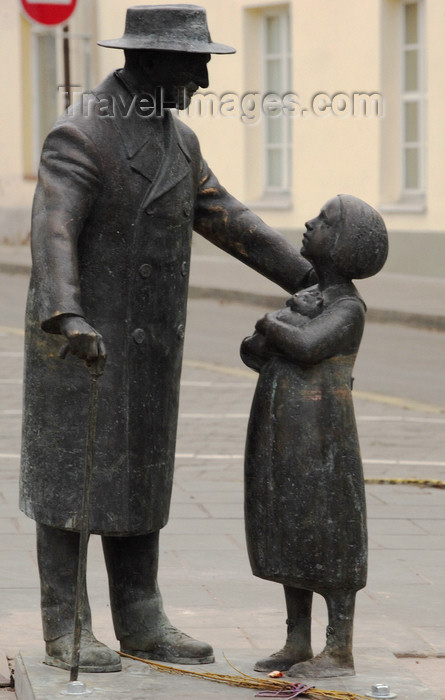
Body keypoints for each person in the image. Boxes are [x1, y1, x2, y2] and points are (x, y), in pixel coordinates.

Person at [19, 4, 315, 673]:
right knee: (73, 480)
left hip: (149, 343)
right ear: (150, 62)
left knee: (138, 475)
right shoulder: (83, 132)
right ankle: (65, 623)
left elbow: (225, 216)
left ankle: (141, 615)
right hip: (82, 340)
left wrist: (309, 276)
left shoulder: (178, 141)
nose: (204, 81)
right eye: (195, 65)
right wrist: (66, 313)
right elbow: (54, 226)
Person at [241, 195, 388, 678]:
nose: (309, 223)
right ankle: (297, 639)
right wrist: (284, 318)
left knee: (329, 532)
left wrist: (276, 318)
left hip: (323, 441)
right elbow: (252, 352)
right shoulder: (310, 302)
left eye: (323, 222)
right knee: (289, 527)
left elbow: (303, 346)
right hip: (283, 433)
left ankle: (339, 646)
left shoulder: (348, 309)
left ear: (343, 245)